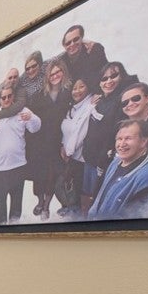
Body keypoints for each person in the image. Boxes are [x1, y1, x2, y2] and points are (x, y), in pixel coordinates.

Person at [0, 82, 41, 224]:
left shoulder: (22, 111)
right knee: (1, 207)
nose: (6, 99)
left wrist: (31, 117)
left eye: (9, 96)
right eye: (3, 97)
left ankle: (15, 231)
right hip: (0, 170)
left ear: (13, 96)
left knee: (16, 207)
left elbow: (35, 128)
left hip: (19, 167)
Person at [81, 62, 137, 206]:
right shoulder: (100, 100)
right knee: (86, 196)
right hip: (89, 158)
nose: (109, 81)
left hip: (103, 163)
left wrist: (103, 161)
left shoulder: (122, 102)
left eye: (114, 76)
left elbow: (116, 135)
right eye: (104, 78)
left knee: (97, 201)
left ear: (122, 76)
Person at [88, 119, 148, 219]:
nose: (121, 144)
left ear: (143, 141)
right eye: (119, 139)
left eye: (128, 138)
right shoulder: (117, 161)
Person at [27, 59, 71, 219]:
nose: (55, 76)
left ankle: (46, 206)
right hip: (39, 143)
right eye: (51, 74)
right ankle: (40, 201)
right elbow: (31, 117)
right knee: (39, 175)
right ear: (47, 76)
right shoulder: (40, 95)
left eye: (58, 72)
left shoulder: (68, 93)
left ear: (63, 72)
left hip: (57, 143)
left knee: (52, 176)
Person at [58, 79, 92, 216]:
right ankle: (70, 209)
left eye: (81, 87)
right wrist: (62, 145)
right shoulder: (73, 107)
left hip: (79, 158)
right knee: (68, 186)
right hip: (69, 156)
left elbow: (80, 132)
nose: (77, 91)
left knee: (77, 191)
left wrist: (69, 152)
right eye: (74, 88)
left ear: (88, 88)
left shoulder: (90, 106)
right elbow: (66, 129)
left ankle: (75, 217)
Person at [57, 24, 107, 93]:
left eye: (76, 39)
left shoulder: (95, 49)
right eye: (68, 43)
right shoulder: (62, 60)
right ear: (64, 46)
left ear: (82, 38)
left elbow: (100, 75)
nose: (72, 44)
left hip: (100, 90)